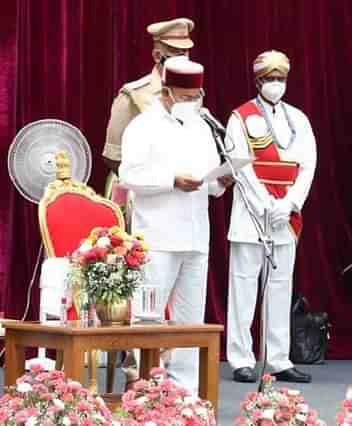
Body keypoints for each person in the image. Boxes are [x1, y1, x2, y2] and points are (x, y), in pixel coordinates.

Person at [119, 57, 228, 394]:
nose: (190, 103)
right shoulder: (143, 126)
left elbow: (210, 178)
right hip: (158, 235)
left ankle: (185, 391)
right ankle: (143, 387)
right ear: (165, 92)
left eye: (195, 97)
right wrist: (171, 180)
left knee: (189, 319)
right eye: (183, 97)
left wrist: (222, 180)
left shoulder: (201, 126)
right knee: (148, 316)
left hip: (196, 235)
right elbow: (129, 175)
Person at [225, 50, 316, 384]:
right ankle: (241, 358)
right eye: (270, 79)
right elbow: (239, 164)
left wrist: (290, 203)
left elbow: (308, 165)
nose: (276, 85)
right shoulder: (240, 117)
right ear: (258, 81)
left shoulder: (299, 119)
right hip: (252, 212)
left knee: (280, 286)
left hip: (285, 217)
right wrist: (265, 201)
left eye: (281, 79)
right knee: (244, 285)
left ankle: (278, 358)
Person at [102, 17, 194, 200]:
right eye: (176, 53)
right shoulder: (132, 95)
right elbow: (113, 156)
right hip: (143, 198)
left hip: (185, 195)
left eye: (186, 52)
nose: (183, 59)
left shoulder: (194, 94)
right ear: (158, 56)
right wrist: (156, 180)